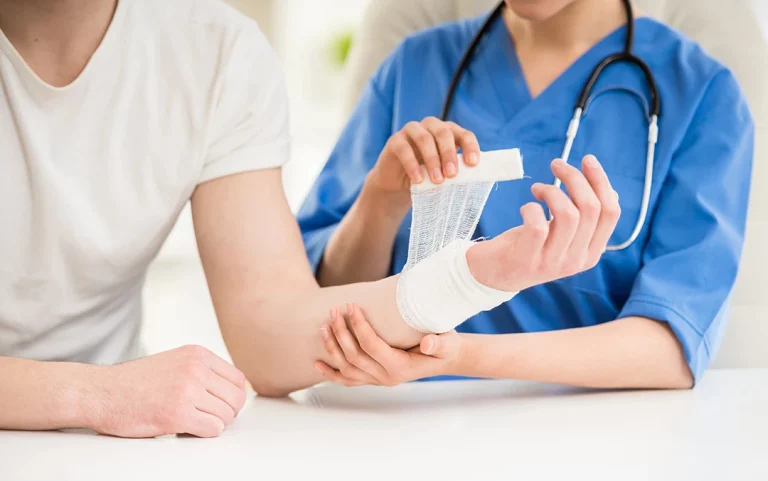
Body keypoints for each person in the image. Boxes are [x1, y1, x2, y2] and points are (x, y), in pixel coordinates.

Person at [0, 0, 620, 437]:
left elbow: (270, 339)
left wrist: (480, 273)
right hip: (101, 415)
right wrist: (95, 394)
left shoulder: (217, 51)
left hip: (101, 449)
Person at [298, 0, 754, 388]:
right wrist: (380, 201)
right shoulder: (415, 65)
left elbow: (671, 345)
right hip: (387, 429)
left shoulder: (702, 94)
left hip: (592, 443)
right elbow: (321, 301)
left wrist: (457, 358)